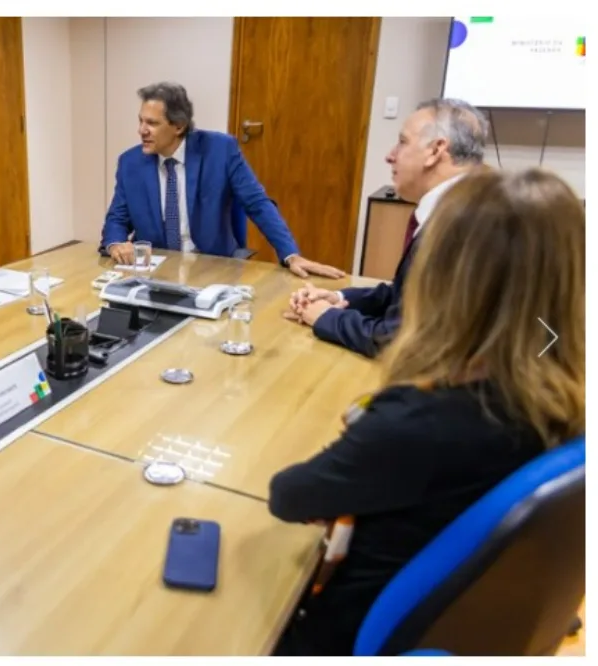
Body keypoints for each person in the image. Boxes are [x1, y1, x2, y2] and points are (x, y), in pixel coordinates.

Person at [268, 167, 585, 656]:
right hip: (468, 625)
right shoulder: (562, 394)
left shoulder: (423, 420)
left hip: (344, 631)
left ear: (446, 275)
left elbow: (288, 496)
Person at [283, 98, 489, 357]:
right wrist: (339, 300)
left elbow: (399, 340)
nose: (390, 155)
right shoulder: (468, 202)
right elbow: (407, 296)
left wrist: (327, 318)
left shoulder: (461, 225)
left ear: (436, 150)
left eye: (403, 142)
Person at [100, 82, 343, 278]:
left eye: (152, 123)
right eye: (141, 121)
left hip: (212, 267)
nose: (141, 130)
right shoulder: (130, 163)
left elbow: (257, 203)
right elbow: (117, 218)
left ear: (179, 126)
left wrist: (291, 254)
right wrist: (115, 244)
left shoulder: (220, 150)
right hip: (156, 271)